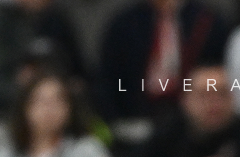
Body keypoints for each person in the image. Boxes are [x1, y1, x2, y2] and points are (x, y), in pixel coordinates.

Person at [97, 0, 230, 120]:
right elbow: (109, 78)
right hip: (138, 114)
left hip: (193, 116)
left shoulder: (207, 21)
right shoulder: (125, 25)